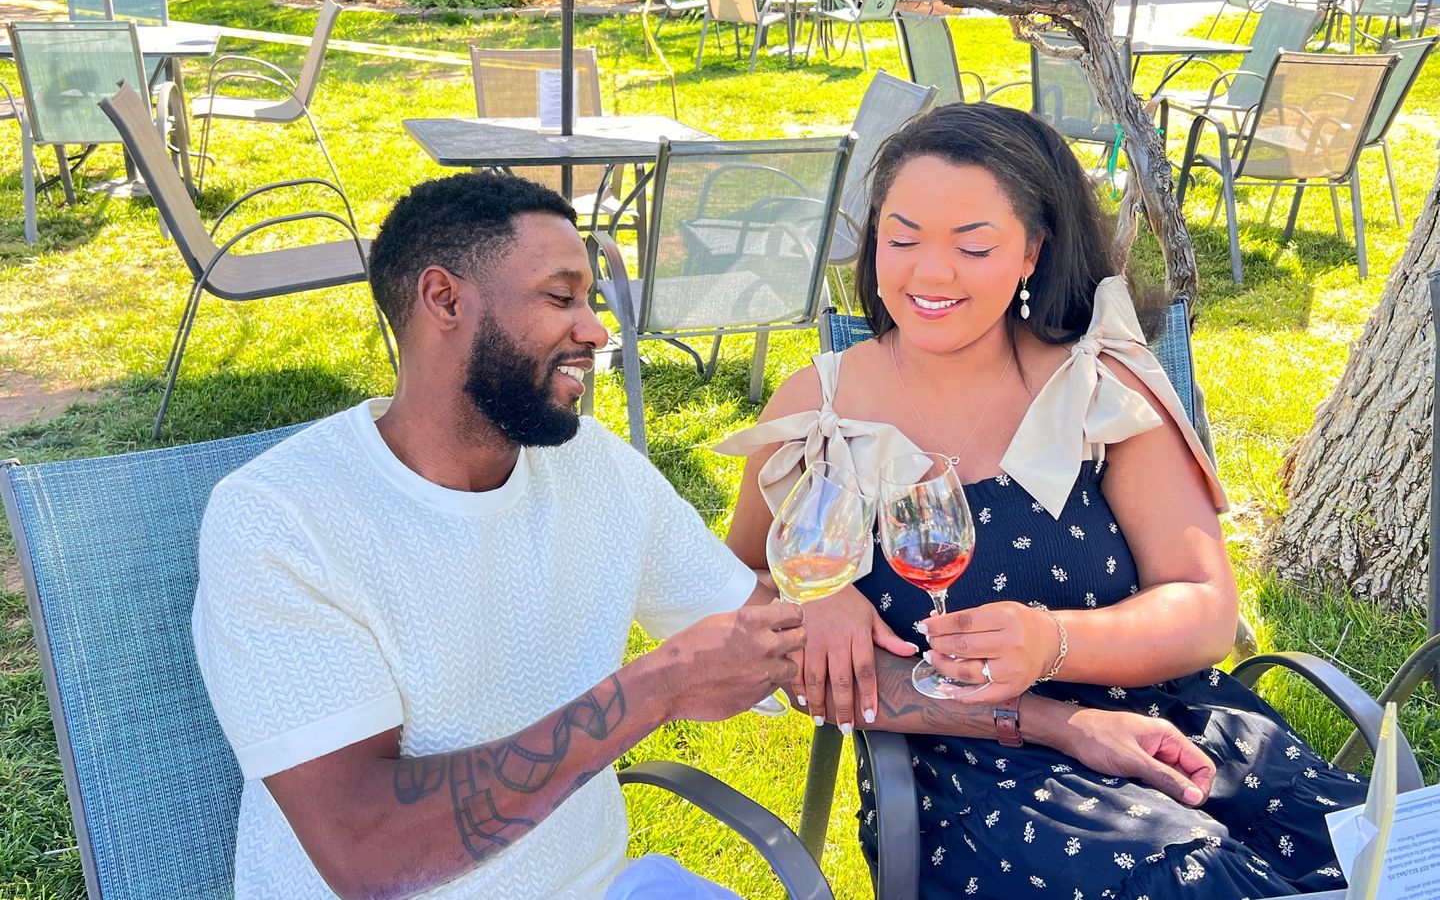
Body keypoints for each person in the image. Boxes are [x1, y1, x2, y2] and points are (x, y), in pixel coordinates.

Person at [720, 103, 1366, 898]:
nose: (929, 273)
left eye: (974, 245)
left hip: (1172, 722)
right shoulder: (819, 414)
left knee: (1375, 852)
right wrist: (810, 589)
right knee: (1193, 880)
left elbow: (1203, 606)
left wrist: (1050, 641)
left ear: (1033, 251)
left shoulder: (1098, 388)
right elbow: (731, 581)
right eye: (903, 236)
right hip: (968, 769)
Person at [191, 172, 806, 900]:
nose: (597, 330)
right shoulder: (280, 521)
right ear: (445, 300)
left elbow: (761, 631)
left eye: (593, 300)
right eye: (561, 296)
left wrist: (962, 687)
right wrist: (654, 690)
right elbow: (368, 852)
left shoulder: (593, 467)